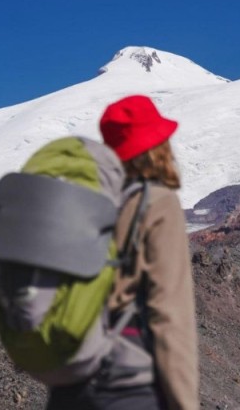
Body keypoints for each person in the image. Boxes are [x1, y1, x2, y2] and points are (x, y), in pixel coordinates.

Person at [46, 95, 199, 410]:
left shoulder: (82, 206)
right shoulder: (156, 204)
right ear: (156, 148)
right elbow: (170, 314)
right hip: (127, 379)